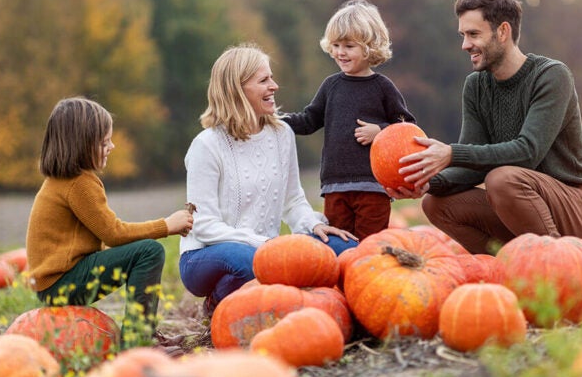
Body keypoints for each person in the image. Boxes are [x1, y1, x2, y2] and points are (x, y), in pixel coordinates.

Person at [386, 0, 582, 254]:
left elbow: (528, 152)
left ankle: (560, 265)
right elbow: (472, 166)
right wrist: (427, 184)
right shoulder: (476, 86)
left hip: (580, 211)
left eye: (473, 34)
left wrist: (450, 153)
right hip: (522, 208)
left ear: (502, 31)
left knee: (502, 179)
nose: (465, 45)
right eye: (462, 35)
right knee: (436, 204)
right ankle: (509, 269)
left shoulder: (551, 75)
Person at [179, 43, 358, 317]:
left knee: (345, 249)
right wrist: (260, 244)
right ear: (237, 89)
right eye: (264, 80)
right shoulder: (207, 145)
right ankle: (218, 303)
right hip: (205, 255)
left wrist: (312, 225)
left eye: (271, 78)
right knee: (249, 262)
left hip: (265, 249)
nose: (274, 86)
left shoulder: (281, 134)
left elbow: (293, 200)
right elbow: (203, 226)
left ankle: (319, 308)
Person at [26, 97, 194, 345]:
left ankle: (142, 335)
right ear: (81, 145)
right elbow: (114, 233)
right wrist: (166, 225)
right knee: (149, 252)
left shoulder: (63, 181)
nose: (112, 146)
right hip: (62, 283)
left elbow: (107, 238)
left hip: (54, 284)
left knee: (140, 252)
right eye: (105, 142)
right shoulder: (79, 183)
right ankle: (138, 341)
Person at [282, 0, 415, 240]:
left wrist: (381, 131)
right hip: (335, 186)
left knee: (367, 247)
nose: (340, 52)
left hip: (373, 186)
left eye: (349, 46)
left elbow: (408, 129)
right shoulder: (331, 86)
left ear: (370, 47)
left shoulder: (382, 87)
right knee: (337, 245)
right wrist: (277, 121)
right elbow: (309, 120)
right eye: (335, 45)